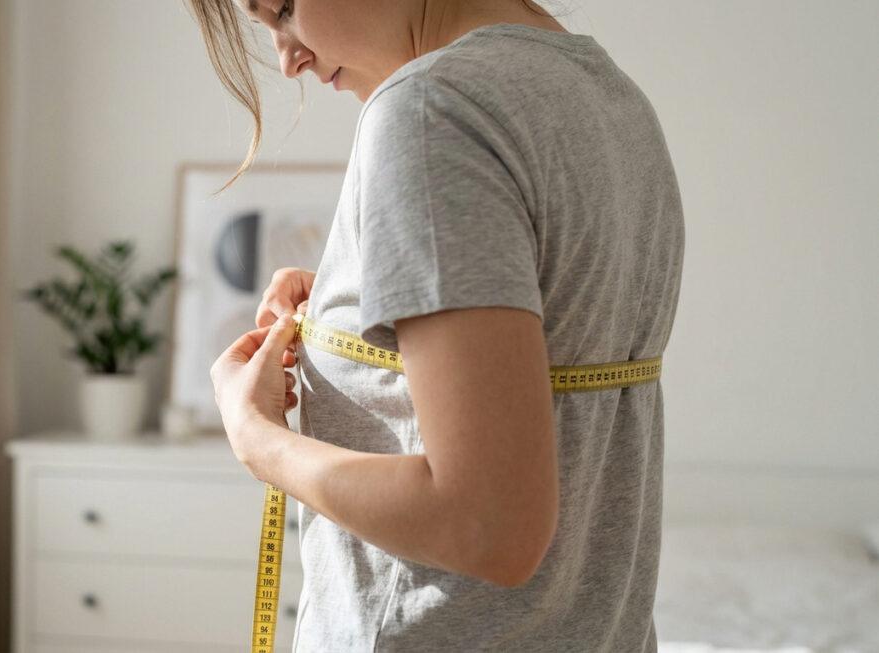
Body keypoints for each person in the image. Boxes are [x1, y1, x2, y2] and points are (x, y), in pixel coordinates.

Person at [195, 0, 685, 650]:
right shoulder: (614, 100)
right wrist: (363, 308)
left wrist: (257, 439)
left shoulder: (430, 112)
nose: (288, 59)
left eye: (282, 9)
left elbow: (489, 524)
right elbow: (552, 354)